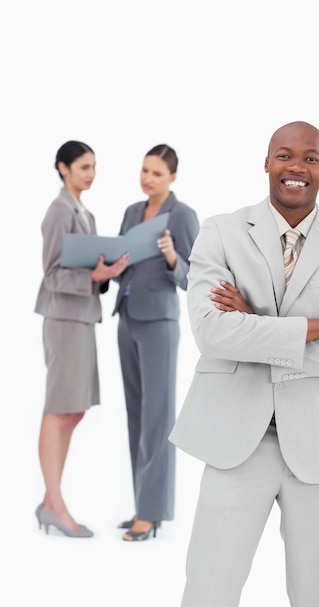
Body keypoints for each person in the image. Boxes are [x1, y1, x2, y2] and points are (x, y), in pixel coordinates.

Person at [169, 121, 319, 607]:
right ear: (266, 163)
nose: (296, 167)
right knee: (206, 597)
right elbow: (211, 333)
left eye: (310, 158)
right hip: (234, 442)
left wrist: (254, 326)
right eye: (284, 156)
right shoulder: (221, 232)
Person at [34, 140, 129, 538]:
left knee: (74, 410)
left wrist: (106, 272)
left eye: (94, 166)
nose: (91, 173)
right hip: (64, 319)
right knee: (59, 410)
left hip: (82, 319)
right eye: (84, 166)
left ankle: (50, 501)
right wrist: (95, 276)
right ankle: (53, 503)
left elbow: (86, 268)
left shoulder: (82, 210)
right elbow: (53, 274)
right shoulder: (59, 211)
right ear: (63, 167)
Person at [113, 144, 199, 542]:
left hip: (160, 323)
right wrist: (108, 265)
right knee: (135, 415)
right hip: (127, 316)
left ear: (173, 178)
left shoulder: (182, 216)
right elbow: (121, 263)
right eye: (145, 170)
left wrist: (170, 257)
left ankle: (151, 513)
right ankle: (143, 507)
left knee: (158, 419)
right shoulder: (133, 211)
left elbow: (194, 278)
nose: (148, 178)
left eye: (157, 173)